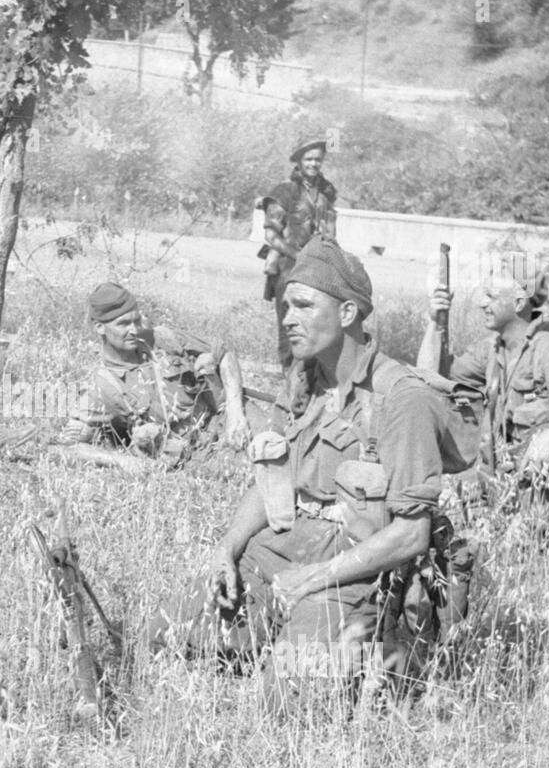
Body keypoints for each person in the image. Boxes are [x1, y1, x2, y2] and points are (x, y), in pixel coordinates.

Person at [149, 238, 445, 709]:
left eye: (303, 305)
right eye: (286, 305)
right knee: (166, 634)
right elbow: (272, 481)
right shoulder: (305, 379)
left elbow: (412, 536)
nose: (288, 317)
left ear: (347, 313)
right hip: (276, 552)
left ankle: (365, 655)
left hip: (349, 571)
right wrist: (228, 549)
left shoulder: (401, 398)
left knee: (285, 700)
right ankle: (256, 642)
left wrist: (313, 580)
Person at [417, 262, 549, 514]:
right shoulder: (492, 349)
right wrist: (435, 322)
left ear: (519, 304)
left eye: (492, 297)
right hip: (493, 494)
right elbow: (429, 377)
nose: (482, 303)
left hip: (535, 507)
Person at [59, 281, 253, 470]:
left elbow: (224, 353)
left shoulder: (161, 338)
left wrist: (235, 413)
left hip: (228, 417)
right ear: (99, 327)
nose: (134, 330)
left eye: (136, 320)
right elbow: (67, 447)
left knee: (275, 443)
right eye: (124, 324)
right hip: (198, 454)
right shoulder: (102, 387)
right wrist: (123, 461)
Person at [261, 137, 338, 369]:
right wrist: (298, 255)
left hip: (317, 271)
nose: (314, 163)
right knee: (290, 327)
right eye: (309, 159)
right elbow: (271, 236)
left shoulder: (326, 190)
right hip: (288, 271)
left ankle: (309, 381)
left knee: (316, 327)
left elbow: (331, 230)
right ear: (298, 161)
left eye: (318, 159)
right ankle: (289, 382)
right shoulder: (285, 191)